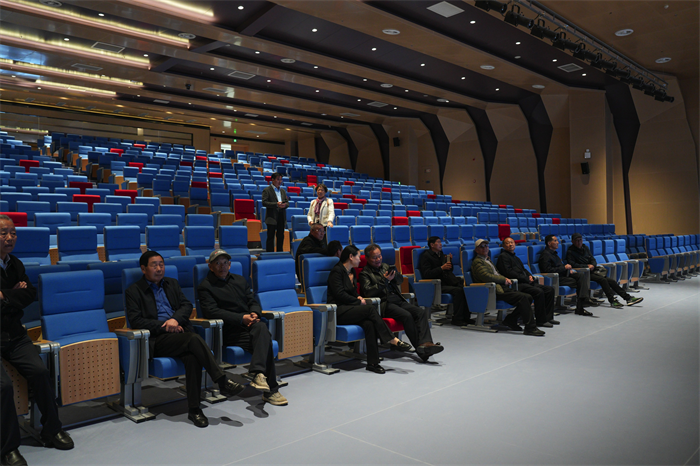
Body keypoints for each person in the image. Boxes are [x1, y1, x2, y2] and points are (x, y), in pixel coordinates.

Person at [125, 251, 244, 428]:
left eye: (161, 264)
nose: (159, 268)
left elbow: (186, 306)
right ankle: (221, 380)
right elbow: (136, 321)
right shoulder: (134, 291)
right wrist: (166, 326)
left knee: (192, 356)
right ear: (143, 269)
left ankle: (194, 410)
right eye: (154, 265)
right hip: (158, 339)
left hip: (180, 334)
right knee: (193, 339)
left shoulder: (172, 284)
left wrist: (175, 320)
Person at [0, 215, 74, 466]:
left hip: (14, 334)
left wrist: (4, 296)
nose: (9, 238)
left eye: (13, 233)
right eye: (3, 233)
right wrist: (14, 295)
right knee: (3, 387)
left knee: (41, 372)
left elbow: (30, 295)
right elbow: (20, 297)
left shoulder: (15, 263)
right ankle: (8, 448)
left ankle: (52, 430)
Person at [197, 250, 287, 406]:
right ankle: (271, 390)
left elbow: (252, 301)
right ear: (210, 266)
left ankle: (258, 374)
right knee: (265, 342)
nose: (222, 266)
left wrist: (254, 313)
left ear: (230, 265)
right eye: (218, 263)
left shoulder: (239, 280)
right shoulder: (205, 286)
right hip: (228, 330)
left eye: (225, 262)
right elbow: (212, 312)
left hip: (250, 325)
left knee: (261, 327)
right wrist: (241, 318)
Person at [327, 246, 411, 374]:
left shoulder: (352, 271)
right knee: (370, 309)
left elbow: (351, 292)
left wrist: (358, 296)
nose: (360, 260)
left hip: (350, 309)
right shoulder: (337, 271)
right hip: (337, 310)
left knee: (369, 324)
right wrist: (358, 301)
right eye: (358, 256)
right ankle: (391, 339)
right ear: (351, 257)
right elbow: (339, 294)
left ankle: (373, 363)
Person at [360, 244, 444, 362]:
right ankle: (421, 350)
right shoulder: (365, 273)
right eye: (374, 257)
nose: (378, 259)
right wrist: (385, 280)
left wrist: (395, 275)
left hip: (397, 299)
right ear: (367, 258)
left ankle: (426, 343)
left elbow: (400, 281)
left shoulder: (385, 266)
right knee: (407, 316)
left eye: (379, 256)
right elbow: (368, 292)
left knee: (420, 312)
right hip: (383, 303)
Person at [471, 240, 545, 336]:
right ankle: (530, 328)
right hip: (491, 290)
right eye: (481, 246)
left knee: (528, 297)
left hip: (500, 287)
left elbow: (496, 274)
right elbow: (486, 276)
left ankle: (510, 320)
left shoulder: (487, 260)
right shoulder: (478, 262)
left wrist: (504, 280)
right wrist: (504, 279)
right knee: (523, 297)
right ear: (476, 250)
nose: (485, 248)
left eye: (486, 246)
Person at [566, 233, 643, 309]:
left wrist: (593, 265)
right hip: (584, 273)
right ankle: (612, 300)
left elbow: (592, 259)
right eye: (577, 240)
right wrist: (586, 266)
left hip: (593, 270)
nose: (579, 242)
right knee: (603, 280)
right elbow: (572, 264)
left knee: (611, 281)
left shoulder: (585, 248)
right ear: (572, 241)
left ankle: (628, 298)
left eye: (580, 240)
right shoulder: (570, 251)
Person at [496, 237, 558, 328]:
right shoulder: (503, 257)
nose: (510, 244)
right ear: (503, 246)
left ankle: (548, 317)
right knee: (538, 292)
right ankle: (541, 320)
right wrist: (526, 278)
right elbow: (508, 272)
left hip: (525, 282)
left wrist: (530, 276)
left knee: (549, 290)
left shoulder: (516, 257)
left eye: (512, 242)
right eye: (508, 243)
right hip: (517, 284)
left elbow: (523, 269)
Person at [417, 236, 473, 327]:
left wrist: (449, 264)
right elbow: (427, 274)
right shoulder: (426, 256)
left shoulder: (441, 254)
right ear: (432, 245)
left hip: (447, 282)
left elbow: (448, 271)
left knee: (465, 288)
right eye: (438, 242)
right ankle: (457, 319)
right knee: (458, 291)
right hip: (436, 284)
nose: (441, 244)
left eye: (440, 242)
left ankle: (466, 317)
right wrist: (441, 268)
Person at [539, 235, 594, 317]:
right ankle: (582, 305)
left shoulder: (554, 254)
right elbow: (547, 270)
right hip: (555, 278)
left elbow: (558, 267)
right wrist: (564, 268)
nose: (558, 242)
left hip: (563, 275)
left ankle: (583, 303)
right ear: (549, 243)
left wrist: (567, 269)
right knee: (580, 282)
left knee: (581, 276)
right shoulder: (545, 255)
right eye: (555, 241)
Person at [261, 172, 289, 252]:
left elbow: (287, 202)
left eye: (281, 179)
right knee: (270, 237)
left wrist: (285, 205)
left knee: (280, 236)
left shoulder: (282, 191)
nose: (280, 181)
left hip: (281, 216)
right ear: (272, 180)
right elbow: (264, 202)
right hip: (272, 216)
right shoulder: (267, 190)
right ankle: (270, 254)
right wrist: (276, 204)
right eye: (278, 179)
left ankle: (280, 253)